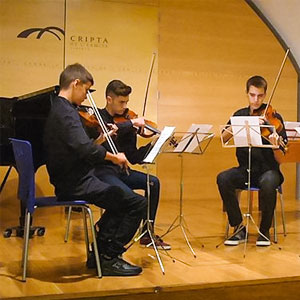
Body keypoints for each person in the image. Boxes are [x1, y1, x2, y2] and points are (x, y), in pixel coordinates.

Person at [43, 63, 147, 276]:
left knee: (121, 200)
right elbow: (84, 149)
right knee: (137, 203)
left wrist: (100, 140)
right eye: (86, 90)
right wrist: (113, 157)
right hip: (75, 182)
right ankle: (109, 257)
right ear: (76, 83)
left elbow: (82, 146)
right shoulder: (66, 113)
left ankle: (99, 255)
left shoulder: (61, 109)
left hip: (75, 178)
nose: (86, 96)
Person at [83, 79, 171, 250]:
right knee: (127, 195)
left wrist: (153, 145)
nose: (124, 107)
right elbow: (110, 128)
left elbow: (133, 156)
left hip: (121, 171)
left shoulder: (127, 121)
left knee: (153, 182)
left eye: (126, 102)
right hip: (102, 171)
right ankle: (105, 229)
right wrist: (131, 124)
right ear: (109, 99)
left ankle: (147, 232)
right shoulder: (97, 117)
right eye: (121, 102)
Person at [216, 75, 288, 247]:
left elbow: (283, 151)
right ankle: (239, 227)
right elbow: (223, 137)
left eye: (260, 96)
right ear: (247, 94)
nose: (256, 100)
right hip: (246, 169)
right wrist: (236, 125)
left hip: (269, 171)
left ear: (265, 95)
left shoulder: (273, 117)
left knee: (269, 181)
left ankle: (264, 232)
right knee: (223, 178)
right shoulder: (239, 115)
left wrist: (275, 142)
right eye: (252, 95)